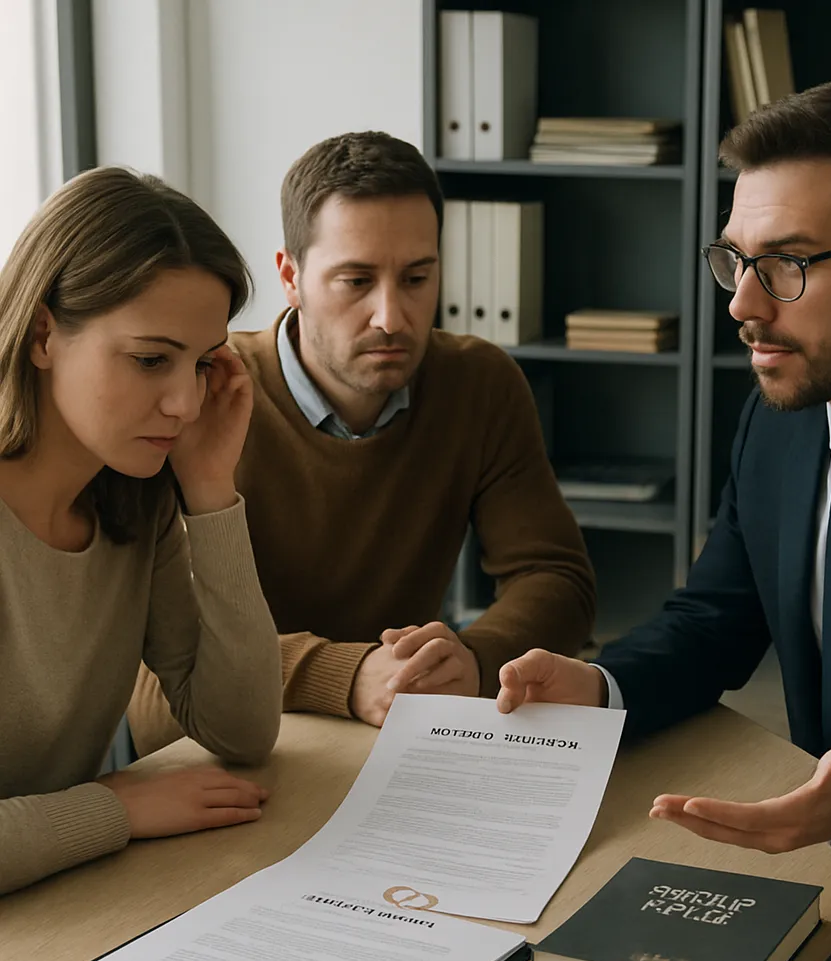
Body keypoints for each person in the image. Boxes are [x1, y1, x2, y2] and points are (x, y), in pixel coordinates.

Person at [496, 78, 831, 896]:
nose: (741, 305)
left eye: (785, 263)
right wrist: (601, 686)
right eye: (736, 260)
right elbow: (716, 617)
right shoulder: (780, 417)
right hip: (818, 870)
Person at [128, 131, 595, 751]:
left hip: (400, 736)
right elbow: (154, 686)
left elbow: (557, 578)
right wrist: (342, 676)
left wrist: (476, 660)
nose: (391, 317)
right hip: (233, 753)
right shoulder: (195, 394)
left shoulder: (479, 384)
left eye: (416, 278)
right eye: (355, 280)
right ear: (290, 277)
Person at [0, 167, 283, 896]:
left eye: (202, 364)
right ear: (41, 335)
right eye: (152, 360)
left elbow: (243, 729)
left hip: (57, 905)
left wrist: (211, 492)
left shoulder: (135, 503)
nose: (185, 404)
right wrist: (113, 807)